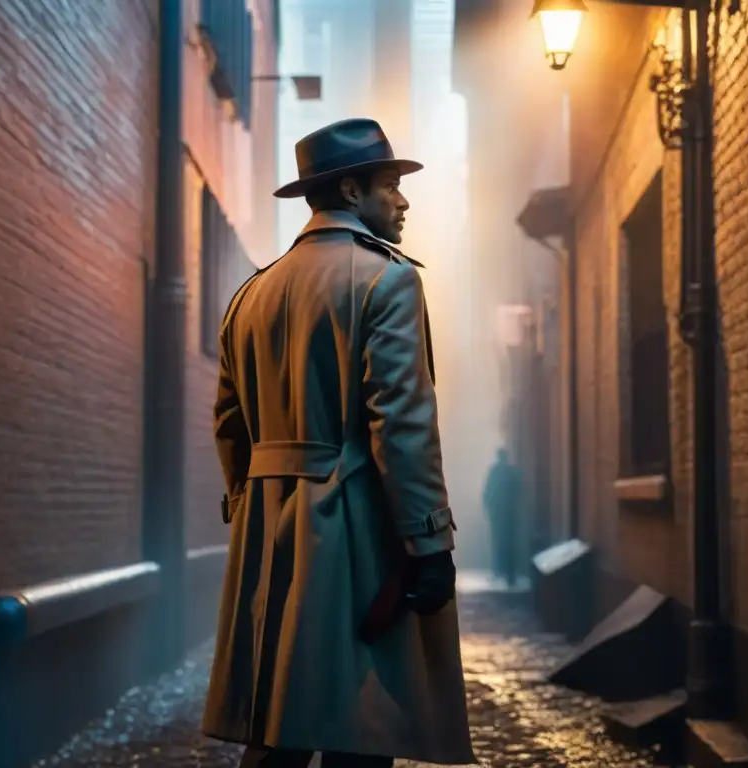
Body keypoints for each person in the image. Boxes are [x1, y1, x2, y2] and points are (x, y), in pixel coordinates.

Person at [201, 118, 475, 768]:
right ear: (352, 192)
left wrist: (255, 507)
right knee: (362, 724)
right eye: (389, 186)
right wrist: (429, 542)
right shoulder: (387, 281)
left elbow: (229, 426)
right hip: (355, 534)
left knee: (277, 728)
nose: (402, 201)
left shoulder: (250, 295)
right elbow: (401, 426)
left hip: (268, 536)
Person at [482, 447, 522, 588]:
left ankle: (500, 571)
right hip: (507, 514)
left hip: (499, 514)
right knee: (509, 543)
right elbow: (518, 492)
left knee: (499, 543)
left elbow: (487, 492)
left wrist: (489, 508)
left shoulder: (495, 472)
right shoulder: (512, 472)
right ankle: (508, 574)